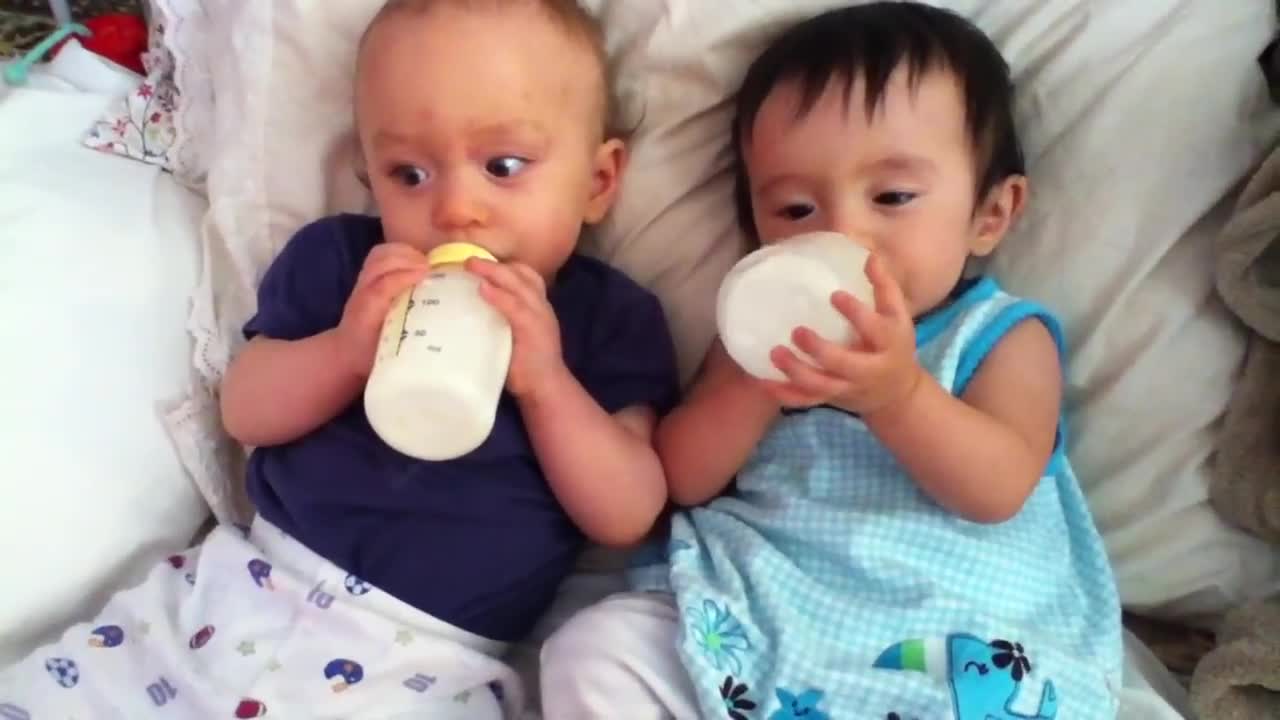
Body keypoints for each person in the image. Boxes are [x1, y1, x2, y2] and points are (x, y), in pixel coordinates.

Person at [0, 1, 677, 718]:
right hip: (234, 598)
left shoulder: (607, 319)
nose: (456, 209)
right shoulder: (342, 265)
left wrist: (547, 385)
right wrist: (348, 349)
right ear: (367, 173)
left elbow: (627, 512)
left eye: (503, 167)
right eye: (410, 173)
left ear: (599, 182)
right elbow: (247, 412)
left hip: (427, 665)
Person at [540, 3, 1123, 719]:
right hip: (766, 619)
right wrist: (753, 384)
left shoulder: (998, 335)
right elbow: (683, 480)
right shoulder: (752, 338)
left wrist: (899, 394)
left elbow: (998, 487)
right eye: (793, 210)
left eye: (893, 197)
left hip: (943, 635)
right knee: (593, 650)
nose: (844, 231)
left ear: (991, 215)